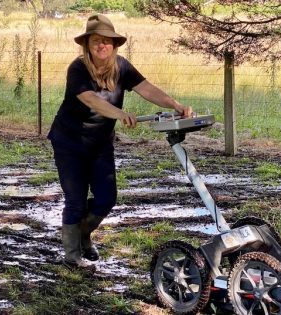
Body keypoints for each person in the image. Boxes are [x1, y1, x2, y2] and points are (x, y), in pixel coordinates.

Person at [48, 14, 192, 267]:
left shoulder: (122, 67)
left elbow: (147, 88)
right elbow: (91, 99)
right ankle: (72, 256)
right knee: (76, 199)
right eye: (95, 41)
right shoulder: (78, 68)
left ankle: (83, 233)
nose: (101, 46)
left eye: (106, 41)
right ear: (87, 45)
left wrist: (176, 105)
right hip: (69, 142)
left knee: (106, 198)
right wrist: (120, 114)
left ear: (114, 44)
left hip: (100, 143)